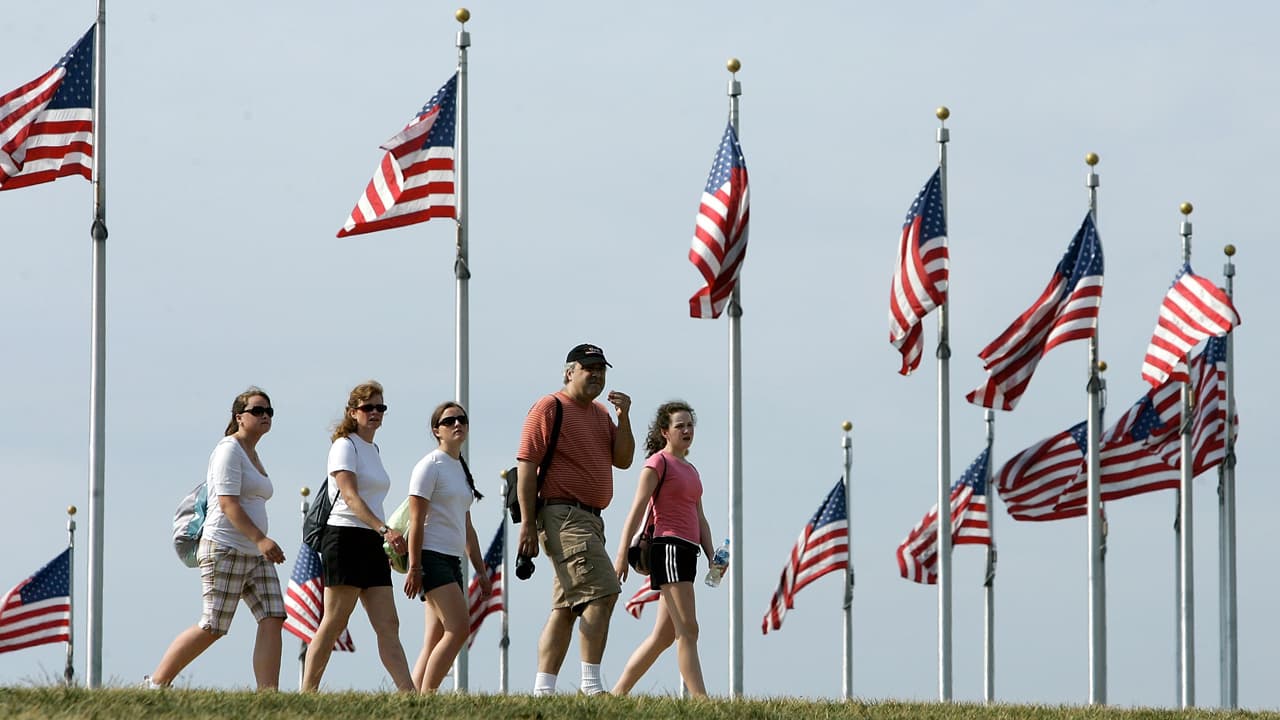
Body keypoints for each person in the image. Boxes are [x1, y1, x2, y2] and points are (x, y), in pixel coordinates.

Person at [146, 387, 286, 690]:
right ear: (239, 417)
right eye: (257, 411)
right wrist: (262, 540)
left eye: (269, 412)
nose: (265, 416)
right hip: (225, 547)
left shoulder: (253, 454)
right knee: (214, 625)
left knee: (273, 615)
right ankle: (157, 682)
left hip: (253, 553)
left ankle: (268, 694)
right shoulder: (228, 450)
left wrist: (258, 544)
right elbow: (227, 504)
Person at [515, 343, 634, 696]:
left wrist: (623, 417)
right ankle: (591, 685)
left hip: (590, 520)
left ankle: (543, 689)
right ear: (570, 372)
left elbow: (623, 459)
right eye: (589, 368)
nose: (596, 374)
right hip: (562, 514)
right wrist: (526, 523)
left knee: (567, 606)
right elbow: (526, 465)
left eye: (601, 369)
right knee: (604, 592)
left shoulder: (599, 414)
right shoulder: (550, 407)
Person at [302, 380, 415, 692]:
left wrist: (381, 532)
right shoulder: (344, 446)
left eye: (380, 407)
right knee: (335, 620)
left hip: (370, 541)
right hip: (344, 537)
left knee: (388, 623)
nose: (375, 413)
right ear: (352, 412)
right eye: (368, 408)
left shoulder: (373, 449)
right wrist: (385, 529)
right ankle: (307, 691)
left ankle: (410, 694)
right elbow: (349, 496)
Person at [611, 401, 720, 697]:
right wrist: (621, 557)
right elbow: (636, 510)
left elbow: (699, 517)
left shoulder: (691, 470)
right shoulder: (657, 463)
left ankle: (618, 693)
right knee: (689, 629)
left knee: (664, 635)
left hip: (688, 552)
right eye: (679, 426)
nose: (686, 430)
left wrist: (712, 556)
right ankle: (702, 701)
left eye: (689, 425)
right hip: (667, 547)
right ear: (665, 432)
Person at [402, 401, 492, 692]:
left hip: (452, 560)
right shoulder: (429, 466)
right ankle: (428, 698)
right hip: (431, 557)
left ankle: (411, 698)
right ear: (436, 430)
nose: (458, 424)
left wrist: (481, 570)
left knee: (436, 635)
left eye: (462, 419)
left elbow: (467, 526)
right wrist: (415, 567)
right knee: (458, 628)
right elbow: (416, 522)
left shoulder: (460, 469)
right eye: (450, 420)